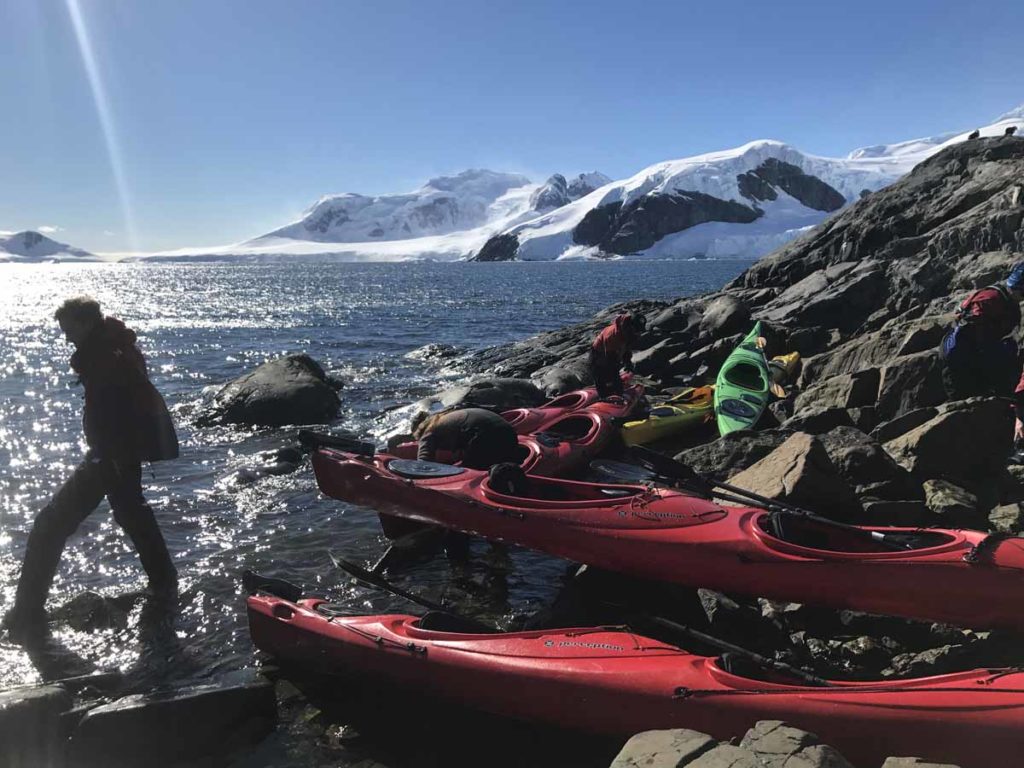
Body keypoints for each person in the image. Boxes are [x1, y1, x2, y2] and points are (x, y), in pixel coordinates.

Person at [3, 297, 179, 646]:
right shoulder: (115, 347)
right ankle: (165, 584)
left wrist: (108, 455)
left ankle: (26, 614)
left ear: (85, 323)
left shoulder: (103, 356)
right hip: (122, 454)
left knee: (49, 525)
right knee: (132, 515)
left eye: (69, 330)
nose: (67, 338)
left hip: (110, 456)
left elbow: (112, 411)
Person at [940, 264, 1024, 434]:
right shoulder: (990, 299)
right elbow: (972, 325)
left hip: (978, 351)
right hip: (962, 355)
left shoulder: (1009, 303)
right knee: (967, 402)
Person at [412, 407, 520, 470]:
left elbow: (423, 464)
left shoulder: (428, 432)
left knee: (469, 471)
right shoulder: (446, 418)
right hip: (509, 433)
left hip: (485, 437)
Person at [589, 313, 645, 398]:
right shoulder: (613, 336)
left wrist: (627, 362)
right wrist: (616, 381)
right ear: (631, 326)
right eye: (637, 330)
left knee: (613, 376)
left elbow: (626, 348)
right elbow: (611, 360)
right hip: (599, 353)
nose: (638, 333)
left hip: (612, 352)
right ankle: (605, 398)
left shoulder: (627, 331)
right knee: (601, 376)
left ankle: (616, 391)